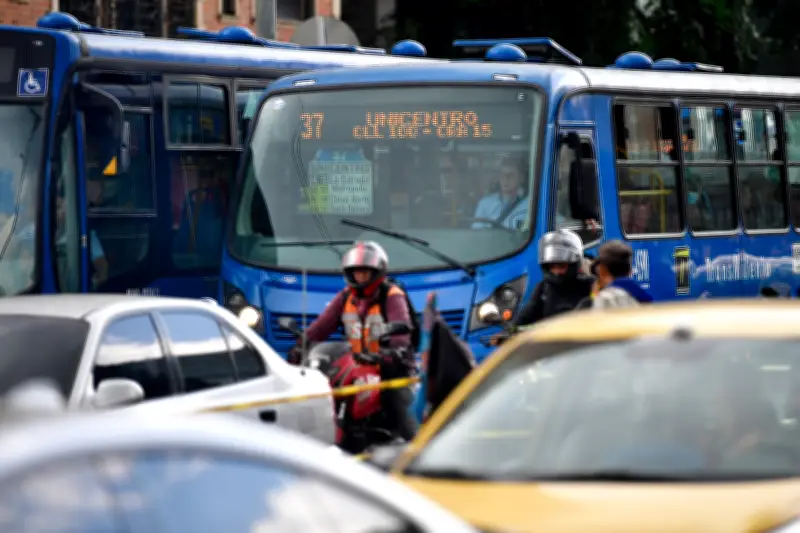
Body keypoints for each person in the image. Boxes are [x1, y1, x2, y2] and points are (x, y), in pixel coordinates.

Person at [288, 241, 418, 442]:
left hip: (390, 371)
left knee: (405, 414)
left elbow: (401, 333)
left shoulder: (392, 296)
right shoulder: (345, 297)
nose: (360, 277)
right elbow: (321, 326)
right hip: (356, 369)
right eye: (356, 272)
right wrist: (301, 344)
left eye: (365, 272)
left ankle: (419, 451)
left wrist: (391, 353)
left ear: (377, 272)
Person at [512, 229, 594, 327]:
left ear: (574, 264)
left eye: (561, 266)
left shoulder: (589, 285)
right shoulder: (543, 288)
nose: (556, 271)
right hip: (551, 335)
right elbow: (527, 313)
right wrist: (510, 330)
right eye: (552, 266)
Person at [590, 240, 653, 308]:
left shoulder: (605, 298)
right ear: (630, 271)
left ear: (603, 270)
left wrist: (594, 295)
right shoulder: (643, 296)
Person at [471, 157, 528, 230]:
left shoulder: (529, 204)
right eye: (502, 174)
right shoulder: (485, 203)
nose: (506, 179)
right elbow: (477, 231)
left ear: (521, 178)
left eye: (511, 175)